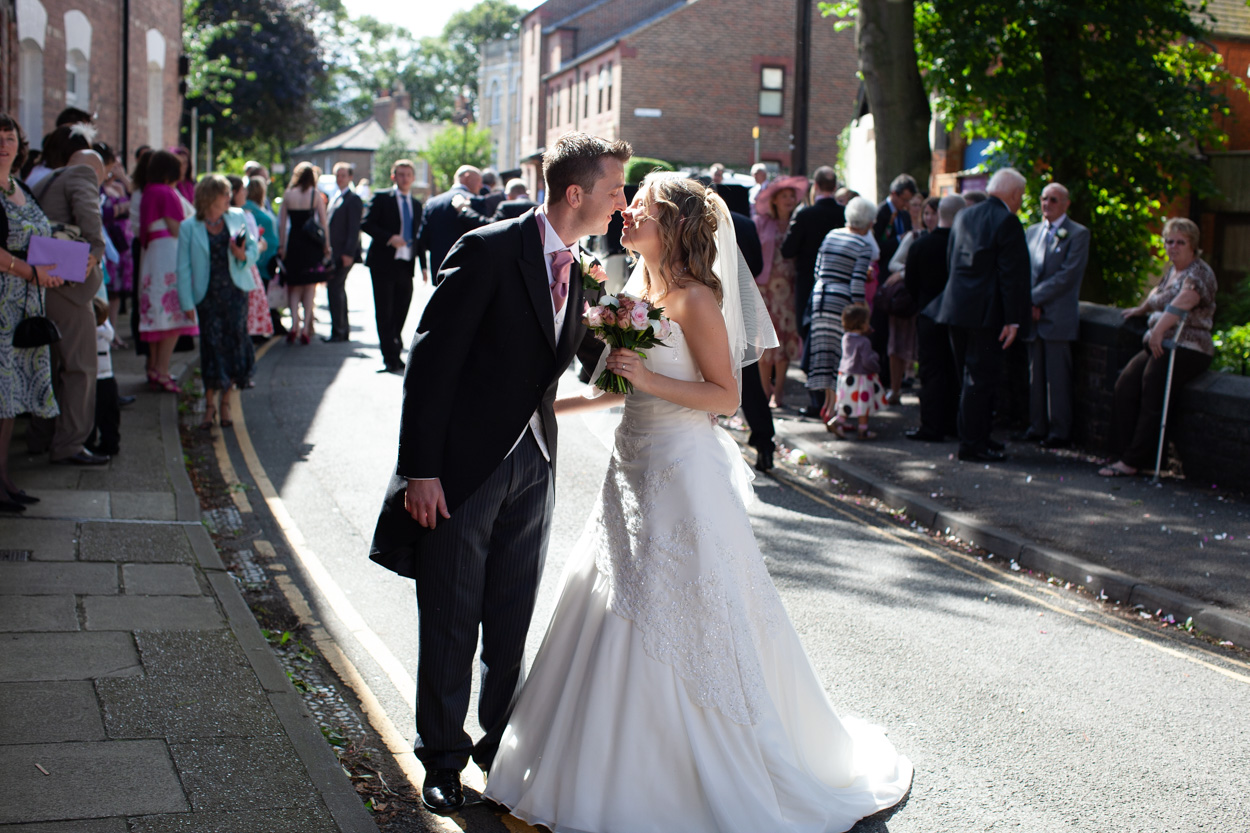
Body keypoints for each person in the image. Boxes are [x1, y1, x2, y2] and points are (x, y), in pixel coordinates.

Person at [484, 173, 912, 831]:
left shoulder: (695, 300)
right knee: (615, 598)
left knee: (676, 608)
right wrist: (540, 404)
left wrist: (648, 375)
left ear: (674, 226)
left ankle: (672, 776)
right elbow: (613, 389)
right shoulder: (634, 289)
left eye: (642, 211)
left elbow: (726, 398)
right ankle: (589, 770)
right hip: (630, 465)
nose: (625, 214)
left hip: (682, 474)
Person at [368, 132, 632, 813]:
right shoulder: (487, 249)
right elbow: (431, 363)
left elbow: (581, 361)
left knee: (510, 618)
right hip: (461, 471)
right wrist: (419, 471)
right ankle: (444, 758)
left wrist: (638, 347)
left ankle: (498, 748)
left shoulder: (580, 267)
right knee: (452, 618)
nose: (621, 203)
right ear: (576, 193)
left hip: (537, 465)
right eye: (614, 191)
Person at [1099, 218, 1217, 478]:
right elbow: (1158, 296)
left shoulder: (1199, 272)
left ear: (1193, 245)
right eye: (1169, 241)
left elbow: (1183, 301)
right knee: (1126, 385)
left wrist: (1160, 329)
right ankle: (1126, 451)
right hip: (1160, 341)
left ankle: (1134, 461)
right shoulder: (1172, 270)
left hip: (1188, 345)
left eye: (1180, 242)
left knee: (1154, 389)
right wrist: (1141, 310)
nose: (1173, 247)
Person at [933, 168, 1031, 463]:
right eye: (1021, 196)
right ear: (1013, 194)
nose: (1021, 202)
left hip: (956, 308)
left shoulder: (964, 215)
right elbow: (1011, 274)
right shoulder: (1007, 221)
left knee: (968, 378)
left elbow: (951, 260)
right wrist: (1014, 319)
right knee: (982, 379)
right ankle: (972, 444)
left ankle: (977, 436)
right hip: (988, 315)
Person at [29, 148, 109, 465]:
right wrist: (97, 247)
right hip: (68, 281)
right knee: (80, 367)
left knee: (45, 364)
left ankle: (39, 436)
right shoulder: (82, 174)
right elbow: (90, 217)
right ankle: (70, 444)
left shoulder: (40, 181)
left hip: (36, 277)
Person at [0, 112, 64, 509]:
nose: (4, 142)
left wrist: (57, 269)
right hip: (4, 298)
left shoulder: (18, 185)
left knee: (10, 398)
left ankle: (4, 478)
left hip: (24, 301)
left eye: (9, 136)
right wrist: (28, 270)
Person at [176, 174, 258, 430]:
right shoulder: (189, 227)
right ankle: (208, 403)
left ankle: (225, 402)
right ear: (210, 197)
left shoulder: (236, 217)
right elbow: (183, 268)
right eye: (224, 194)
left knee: (234, 344)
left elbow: (253, 250)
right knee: (211, 348)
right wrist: (186, 302)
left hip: (235, 292)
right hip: (207, 296)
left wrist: (242, 255)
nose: (229, 198)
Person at [1020, 182, 1089, 449]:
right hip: (1034, 315)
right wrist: (1029, 301)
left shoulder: (1078, 234)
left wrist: (1034, 298)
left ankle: (1060, 430)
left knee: (1057, 376)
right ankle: (1037, 426)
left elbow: (1067, 276)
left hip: (1058, 315)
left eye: (1054, 200)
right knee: (1034, 373)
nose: (1047, 204)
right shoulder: (1032, 232)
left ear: (1066, 203)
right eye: (1044, 198)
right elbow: (1025, 269)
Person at [781, 165, 846, 418]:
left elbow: (787, 250)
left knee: (809, 337)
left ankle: (816, 401)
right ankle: (835, 401)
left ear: (815, 186)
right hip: (839, 286)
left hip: (808, 283)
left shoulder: (805, 214)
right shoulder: (843, 213)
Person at [805, 196, 874, 421]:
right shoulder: (863, 246)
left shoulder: (831, 235)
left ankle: (827, 404)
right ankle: (835, 410)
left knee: (823, 354)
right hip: (841, 302)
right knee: (840, 356)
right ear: (869, 223)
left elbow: (816, 269)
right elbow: (856, 282)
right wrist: (861, 311)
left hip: (820, 297)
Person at [905, 194, 966, 441]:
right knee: (954, 369)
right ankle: (952, 423)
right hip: (957, 316)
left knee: (931, 372)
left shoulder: (921, 245)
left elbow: (911, 282)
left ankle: (932, 425)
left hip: (928, 314)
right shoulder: (964, 247)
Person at [137, 149, 197, 392]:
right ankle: (163, 371)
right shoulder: (167, 192)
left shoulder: (148, 191)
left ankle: (153, 368)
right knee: (172, 315)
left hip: (153, 256)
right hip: (169, 257)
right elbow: (177, 228)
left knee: (156, 314)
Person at [361, 159, 422, 373]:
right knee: (384, 311)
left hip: (405, 264)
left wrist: (423, 266)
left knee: (401, 309)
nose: (404, 178)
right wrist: (389, 238)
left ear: (413, 178)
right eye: (401, 174)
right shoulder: (381, 198)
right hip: (383, 263)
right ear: (393, 176)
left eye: (408, 175)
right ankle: (390, 357)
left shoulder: (415, 204)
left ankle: (395, 347)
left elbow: (419, 237)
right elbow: (366, 224)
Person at [752, 173, 807, 408]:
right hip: (764, 290)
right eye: (784, 196)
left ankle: (780, 392)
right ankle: (765, 391)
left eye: (791, 196)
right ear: (774, 200)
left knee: (784, 342)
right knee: (764, 341)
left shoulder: (798, 224)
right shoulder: (761, 222)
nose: (788, 200)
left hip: (789, 291)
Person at [880, 192, 934, 405]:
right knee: (898, 345)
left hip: (928, 303)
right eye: (926, 213)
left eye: (933, 213)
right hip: (907, 301)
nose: (929, 217)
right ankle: (895, 389)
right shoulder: (914, 237)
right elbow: (894, 263)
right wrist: (906, 273)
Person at [276, 161, 331, 344]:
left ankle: (294, 325)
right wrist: (327, 245)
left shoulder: (288, 194)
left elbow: (282, 224)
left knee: (294, 287)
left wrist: (282, 247)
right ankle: (306, 328)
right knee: (310, 288)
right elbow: (324, 223)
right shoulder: (316, 195)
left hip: (294, 244)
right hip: (311, 246)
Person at [826, 302, 889, 440]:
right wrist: (876, 363)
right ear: (861, 324)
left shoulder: (846, 338)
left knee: (847, 403)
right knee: (862, 405)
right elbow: (867, 361)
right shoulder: (864, 341)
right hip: (861, 378)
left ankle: (837, 422)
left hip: (845, 376)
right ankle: (863, 430)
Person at [416, 164, 483, 280]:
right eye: (479, 181)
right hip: (469, 271)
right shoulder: (475, 201)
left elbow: (423, 239)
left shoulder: (432, 203)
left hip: (440, 270)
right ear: (467, 178)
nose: (481, 186)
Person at [227, 175, 273, 342]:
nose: (245, 193)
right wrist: (260, 246)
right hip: (244, 271)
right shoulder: (242, 215)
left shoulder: (238, 215)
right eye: (242, 190)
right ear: (233, 193)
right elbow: (252, 246)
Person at [96, 143, 134, 343]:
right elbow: (105, 214)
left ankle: (113, 330)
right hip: (105, 241)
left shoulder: (120, 187)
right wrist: (121, 208)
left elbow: (135, 199)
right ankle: (103, 331)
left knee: (117, 292)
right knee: (106, 290)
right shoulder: (98, 187)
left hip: (120, 243)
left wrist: (123, 179)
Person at [325, 162, 363, 342]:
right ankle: (340, 330)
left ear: (350, 178)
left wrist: (349, 253)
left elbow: (354, 229)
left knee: (335, 289)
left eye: (343, 175)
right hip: (335, 252)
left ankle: (339, 331)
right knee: (336, 290)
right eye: (337, 175)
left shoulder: (353, 199)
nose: (340, 178)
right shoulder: (336, 198)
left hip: (344, 254)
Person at [87, 296, 120, 457]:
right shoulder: (107, 330)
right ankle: (111, 443)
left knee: (94, 414)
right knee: (110, 416)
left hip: (97, 378)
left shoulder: (93, 331)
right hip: (108, 377)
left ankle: (89, 443)